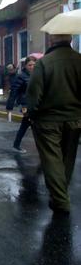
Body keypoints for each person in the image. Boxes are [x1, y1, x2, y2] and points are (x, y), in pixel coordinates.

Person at [27, 34, 81, 215]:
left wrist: (31, 114)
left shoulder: (44, 63)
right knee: (67, 159)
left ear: (52, 41)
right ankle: (60, 194)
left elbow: (34, 94)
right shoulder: (79, 60)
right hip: (75, 119)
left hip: (48, 121)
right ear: (71, 40)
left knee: (52, 160)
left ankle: (60, 200)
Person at [6, 56, 37, 153]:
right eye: (30, 65)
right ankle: (42, 148)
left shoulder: (38, 75)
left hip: (36, 104)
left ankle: (16, 144)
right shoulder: (21, 76)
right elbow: (14, 91)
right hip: (25, 105)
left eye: (34, 65)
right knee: (32, 124)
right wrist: (9, 107)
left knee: (26, 125)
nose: (32, 67)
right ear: (26, 66)